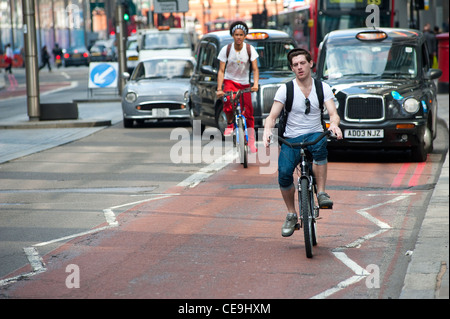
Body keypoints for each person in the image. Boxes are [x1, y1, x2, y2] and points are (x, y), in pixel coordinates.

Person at [262, 48, 343, 237]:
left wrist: (335, 126)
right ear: (292, 68)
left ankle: (321, 192)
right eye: (295, 65)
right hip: (291, 139)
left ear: (310, 64)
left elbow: (333, 114)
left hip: (315, 134)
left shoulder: (322, 88)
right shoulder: (286, 89)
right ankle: (291, 214)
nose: (299, 67)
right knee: (283, 174)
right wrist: (267, 130)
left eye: (302, 63)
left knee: (321, 146)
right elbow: (272, 117)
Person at [216, 21, 259, 153]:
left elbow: (255, 69)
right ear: (233, 36)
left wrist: (255, 84)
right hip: (230, 81)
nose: (239, 37)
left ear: (245, 36)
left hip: (244, 83)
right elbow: (221, 71)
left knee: (249, 113)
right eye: (236, 35)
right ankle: (230, 123)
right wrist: (219, 88)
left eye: (241, 35)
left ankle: (251, 142)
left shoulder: (250, 50)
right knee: (228, 102)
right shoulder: (226, 50)